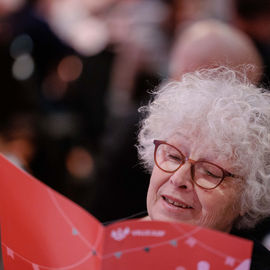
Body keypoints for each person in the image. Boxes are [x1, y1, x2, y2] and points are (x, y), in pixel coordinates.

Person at [137, 67, 270, 269]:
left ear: (249, 195)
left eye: (210, 172)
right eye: (173, 156)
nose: (178, 179)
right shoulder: (97, 246)